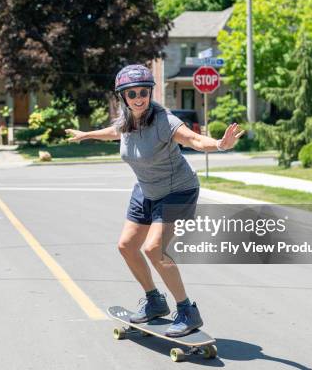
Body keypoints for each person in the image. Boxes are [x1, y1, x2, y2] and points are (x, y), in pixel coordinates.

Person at [65, 64, 244, 337]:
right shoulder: (127, 120)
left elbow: (194, 140)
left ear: (150, 93)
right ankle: (154, 301)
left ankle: (187, 310)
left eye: (143, 92)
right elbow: (115, 132)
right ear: (123, 97)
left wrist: (219, 144)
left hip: (177, 190)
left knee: (154, 249)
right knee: (126, 246)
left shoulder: (164, 120)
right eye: (132, 93)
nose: (138, 98)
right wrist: (86, 134)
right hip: (145, 190)